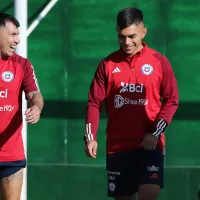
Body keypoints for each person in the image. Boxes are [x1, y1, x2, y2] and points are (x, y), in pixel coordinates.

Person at [84, 7, 178, 200]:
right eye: (121, 36)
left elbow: (171, 100)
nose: (126, 42)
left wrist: (155, 133)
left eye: (132, 36)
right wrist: (90, 137)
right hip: (118, 148)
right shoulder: (107, 65)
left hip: (150, 146)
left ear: (144, 32)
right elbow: (94, 102)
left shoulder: (159, 62)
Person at [0, 13, 44, 200]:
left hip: (11, 153)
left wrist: (36, 107)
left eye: (18, 35)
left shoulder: (22, 65)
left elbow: (35, 94)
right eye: (13, 35)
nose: (17, 40)